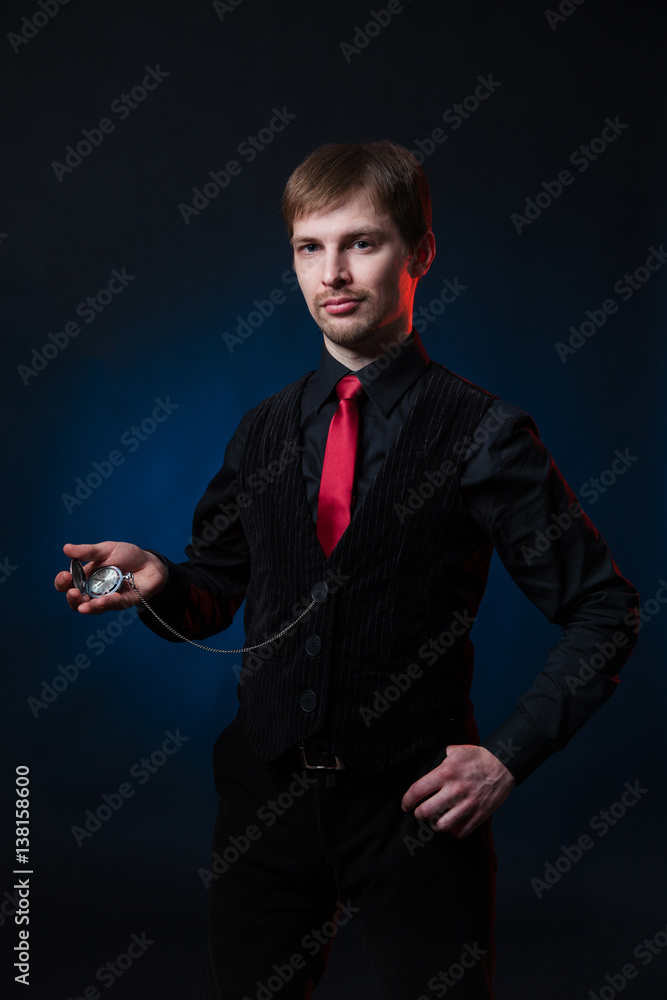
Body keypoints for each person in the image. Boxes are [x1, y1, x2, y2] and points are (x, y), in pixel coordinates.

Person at [55, 140, 639, 1000]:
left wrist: (506, 757)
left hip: (414, 812)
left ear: (420, 254)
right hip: (262, 801)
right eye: (308, 247)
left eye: (361, 242)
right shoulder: (260, 429)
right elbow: (216, 593)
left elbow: (604, 609)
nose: (332, 272)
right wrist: (158, 580)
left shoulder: (484, 434)